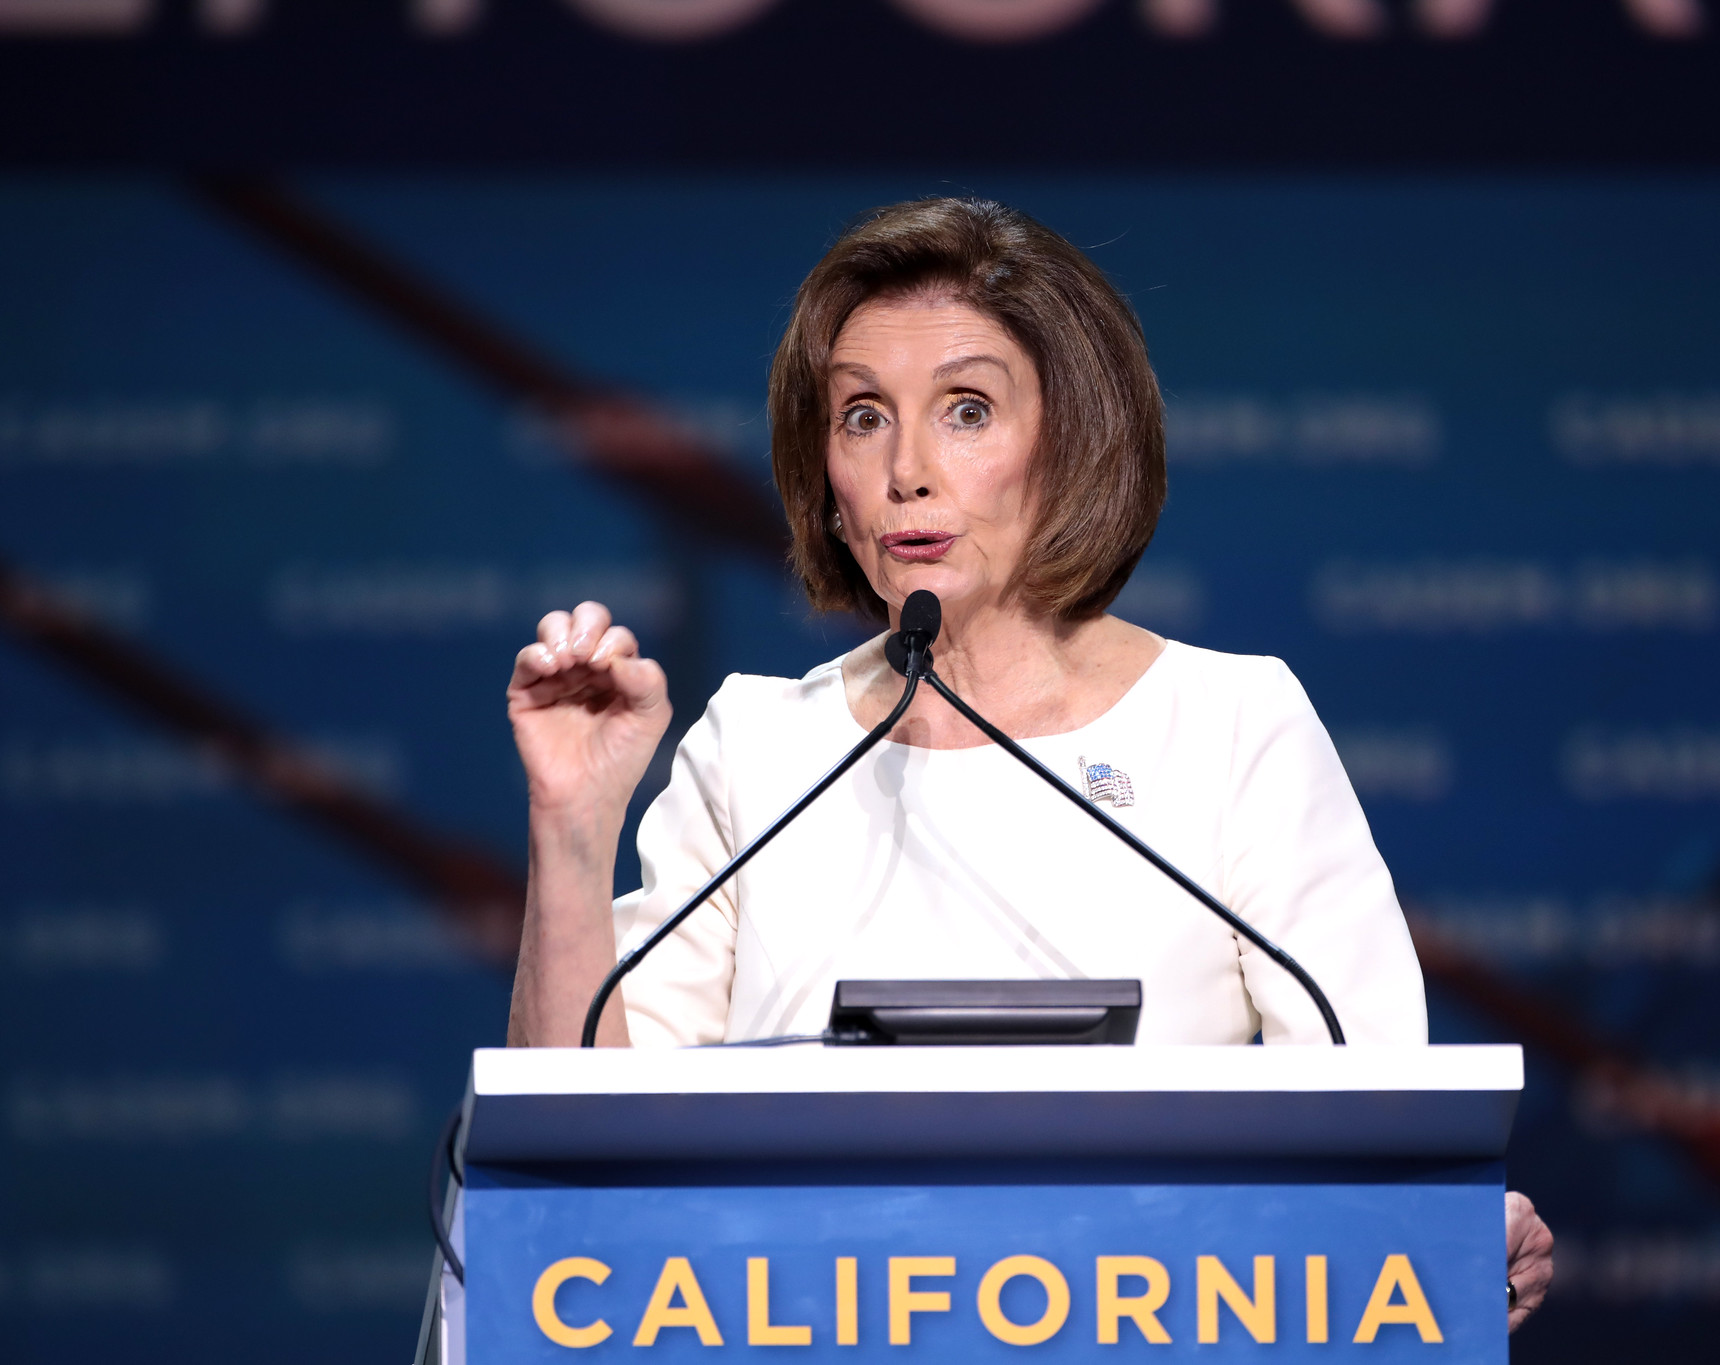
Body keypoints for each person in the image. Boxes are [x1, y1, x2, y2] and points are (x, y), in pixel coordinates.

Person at [502, 196, 1550, 1329]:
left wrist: (1433, 1243)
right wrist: (572, 823)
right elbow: (577, 1183)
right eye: (860, 416)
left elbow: (1369, 1126)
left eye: (964, 410)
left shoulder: (1232, 723)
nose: (906, 469)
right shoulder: (761, 747)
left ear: (1072, 438)